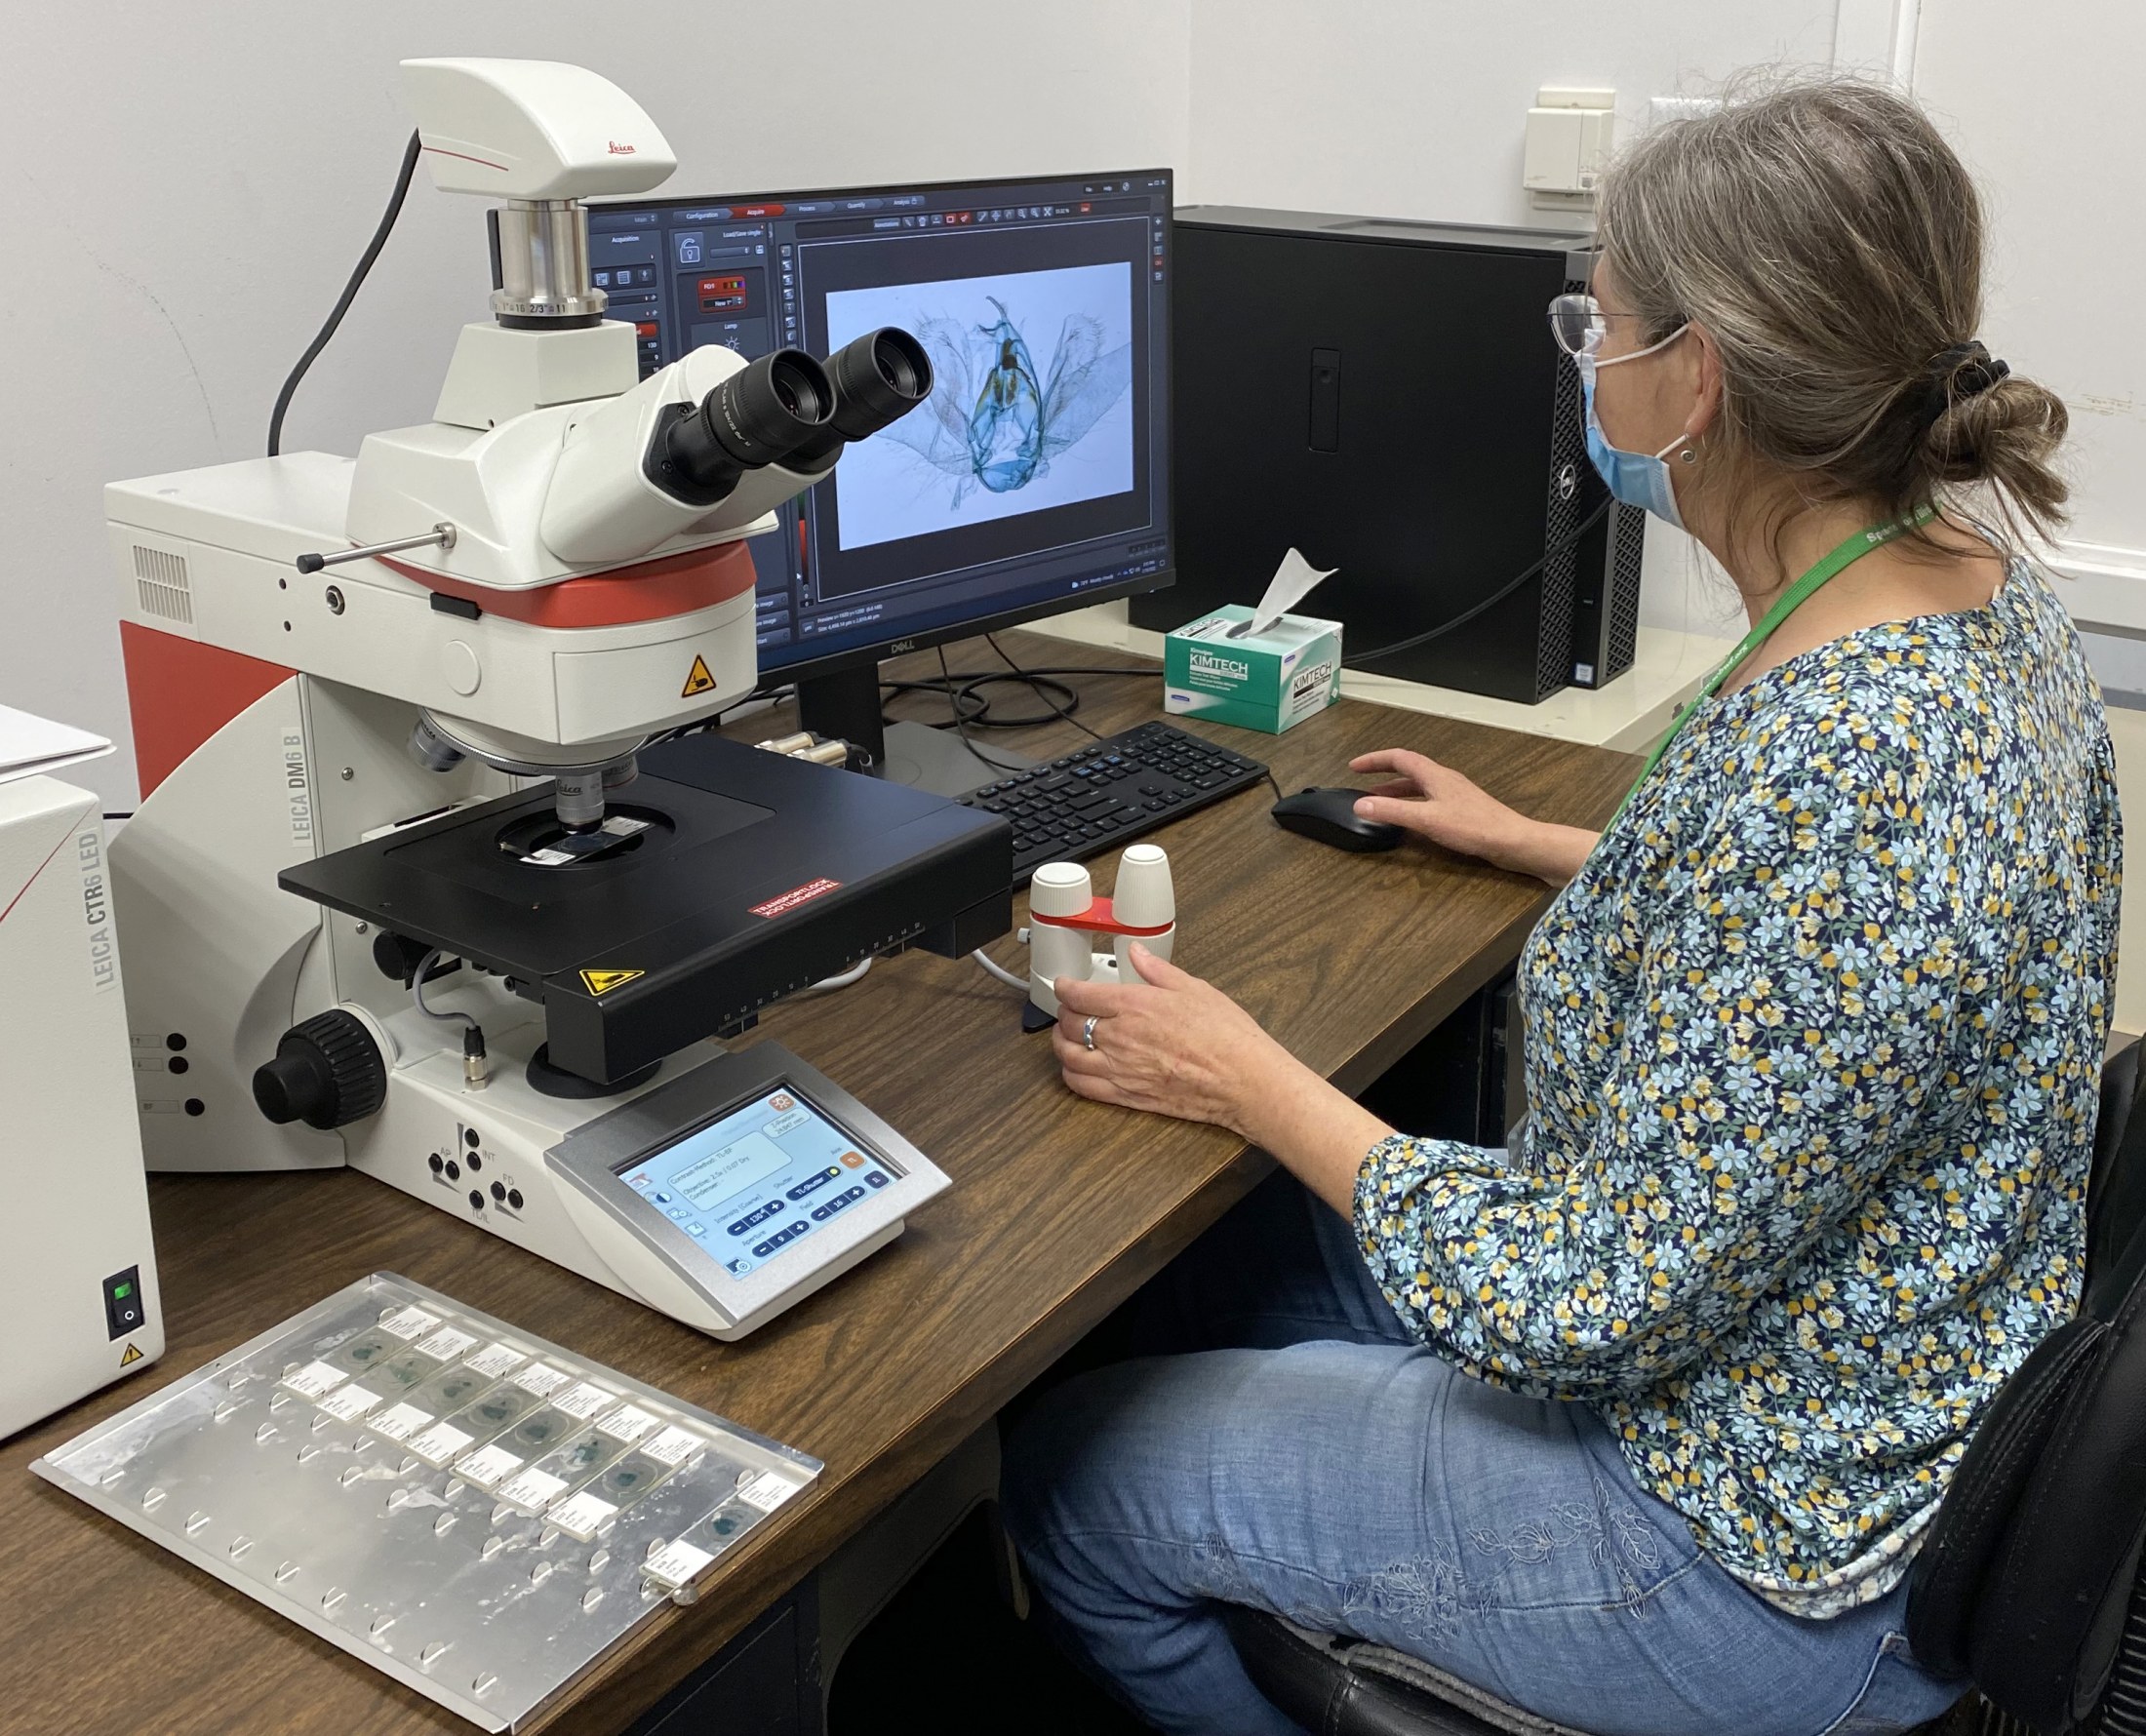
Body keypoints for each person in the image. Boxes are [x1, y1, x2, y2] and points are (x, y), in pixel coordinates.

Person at [1000, 77, 2120, 1736]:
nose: (1582, 359)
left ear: (1699, 376)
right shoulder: (1958, 586)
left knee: (1075, 1475)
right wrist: (1545, 842)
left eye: (1597, 319)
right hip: (1826, 1377)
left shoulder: (1856, 766)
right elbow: (1850, 966)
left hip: (1748, 1545)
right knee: (1218, 1270)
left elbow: (1575, 1303)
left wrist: (1244, 1072)